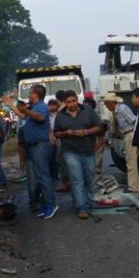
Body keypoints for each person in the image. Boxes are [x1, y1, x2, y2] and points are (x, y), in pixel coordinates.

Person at [52, 90, 104, 219]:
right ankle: (81, 207)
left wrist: (85, 132)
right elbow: (56, 133)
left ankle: (88, 201)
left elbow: (99, 127)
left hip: (88, 151)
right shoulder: (60, 115)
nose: (71, 104)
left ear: (77, 100)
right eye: (68, 102)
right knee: (76, 180)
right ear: (65, 103)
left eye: (73, 101)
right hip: (70, 152)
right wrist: (66, 133)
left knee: (89, 178)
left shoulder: (88, 111)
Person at [13, 85, 56, 219]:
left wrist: (26, 110)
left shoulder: (41, 107)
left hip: (40, 147)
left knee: (43, 177)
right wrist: (12, 106)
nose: (28, 96)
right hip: (34, 147)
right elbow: (24, 115)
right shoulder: (35, 108)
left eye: (30, 94)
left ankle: (51, 205)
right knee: (39, 177)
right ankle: (45, 205)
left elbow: (40, 117)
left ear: (35, 94)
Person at [103, 92, 139, 193]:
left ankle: (134, 186)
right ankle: (134, 184)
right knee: (130, 161)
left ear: (111, 103)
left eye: (106, 103)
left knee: (131, 162)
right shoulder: (114, 112)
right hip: (125, 135)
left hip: (130, 134)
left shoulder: (122, 109)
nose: (106, 106)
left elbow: (134, 121)